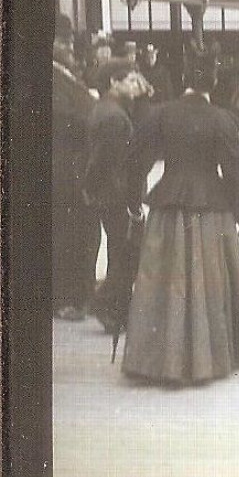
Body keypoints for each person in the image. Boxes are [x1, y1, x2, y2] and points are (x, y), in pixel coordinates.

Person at [121, 52, 239, 385]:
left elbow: (135, 160)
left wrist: (133, 202)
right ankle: (207, 357)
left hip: (168, 205)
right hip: (211, 209)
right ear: (212, 82)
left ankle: (155, 359)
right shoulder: (222, 119)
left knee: (162, 279)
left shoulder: (160, 114)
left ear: (185, 80)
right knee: (208, 281)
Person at [83, 61, 150, 335]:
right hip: (117, 194)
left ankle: (116, 307)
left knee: (120, 250)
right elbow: (110, 162)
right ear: (114, 82)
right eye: (131, 80)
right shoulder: (115, 118)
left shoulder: (110, 110)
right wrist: (132, 203)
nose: (137, 85)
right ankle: (107, 303)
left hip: (110, 192)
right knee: (126, 251)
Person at [52, 28, 101, 322]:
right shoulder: (53, 78)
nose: (70, 47)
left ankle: (80, 293)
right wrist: (93, 107)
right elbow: (62, 118)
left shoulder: (68, 74)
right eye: (64, 42)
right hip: (64, 171)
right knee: (68, 234)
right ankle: (66, 297)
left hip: (75, 169)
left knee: (82, 233)